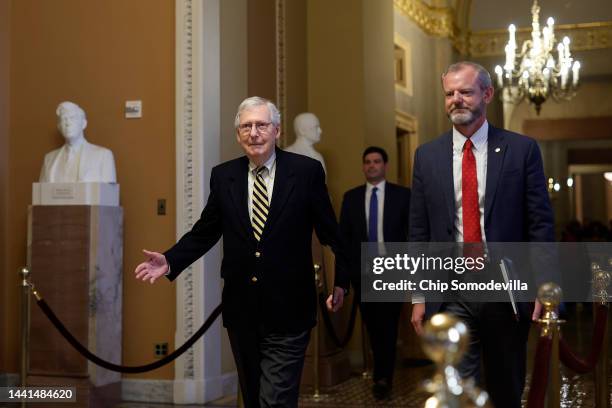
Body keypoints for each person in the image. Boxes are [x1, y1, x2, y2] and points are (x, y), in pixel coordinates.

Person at [134, 97, 349, 408]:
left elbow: (332, 233)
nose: (254, 132)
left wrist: (341, 280)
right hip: (242, 311)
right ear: (238, 135)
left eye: (261, 125)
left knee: (274, 400)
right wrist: (170, 260)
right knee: (252, 398)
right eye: (246, 126)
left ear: (276, 130)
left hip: (290, 309)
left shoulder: (306, 172)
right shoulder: (225, 176)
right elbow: (205, 230)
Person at [409, 62, 554, 408]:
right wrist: (416, 293)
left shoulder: (522, 150)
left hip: (504, 288)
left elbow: (540, 225)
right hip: (450, 290)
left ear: (487, 94)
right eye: (449, 93)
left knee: (506, 387)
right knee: (457, 389)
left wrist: (544, 286)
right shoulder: (426, 156)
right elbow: (418, 230)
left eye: (465, 92)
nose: (456, 100)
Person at [339, 146, 410, 400]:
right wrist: (342, 281)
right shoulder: (352, 198)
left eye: (376, 161)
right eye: (367, 162)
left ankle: (383, 377)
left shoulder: (403, 196)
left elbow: (412, 235)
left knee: (388, 326)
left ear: (385, 165)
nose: (371, 166)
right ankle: (380, 371)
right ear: (363, 166)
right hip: (364, 273)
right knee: (373, 326)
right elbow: (344, 242)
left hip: (392, 271)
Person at [39, 101, 116, 183]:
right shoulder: (49, 159)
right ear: (59, 127)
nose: (68, 123)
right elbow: (41, 193)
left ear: (84, 124)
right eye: (64, 119)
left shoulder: (103, 156)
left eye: (72, 118)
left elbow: (109, 194)